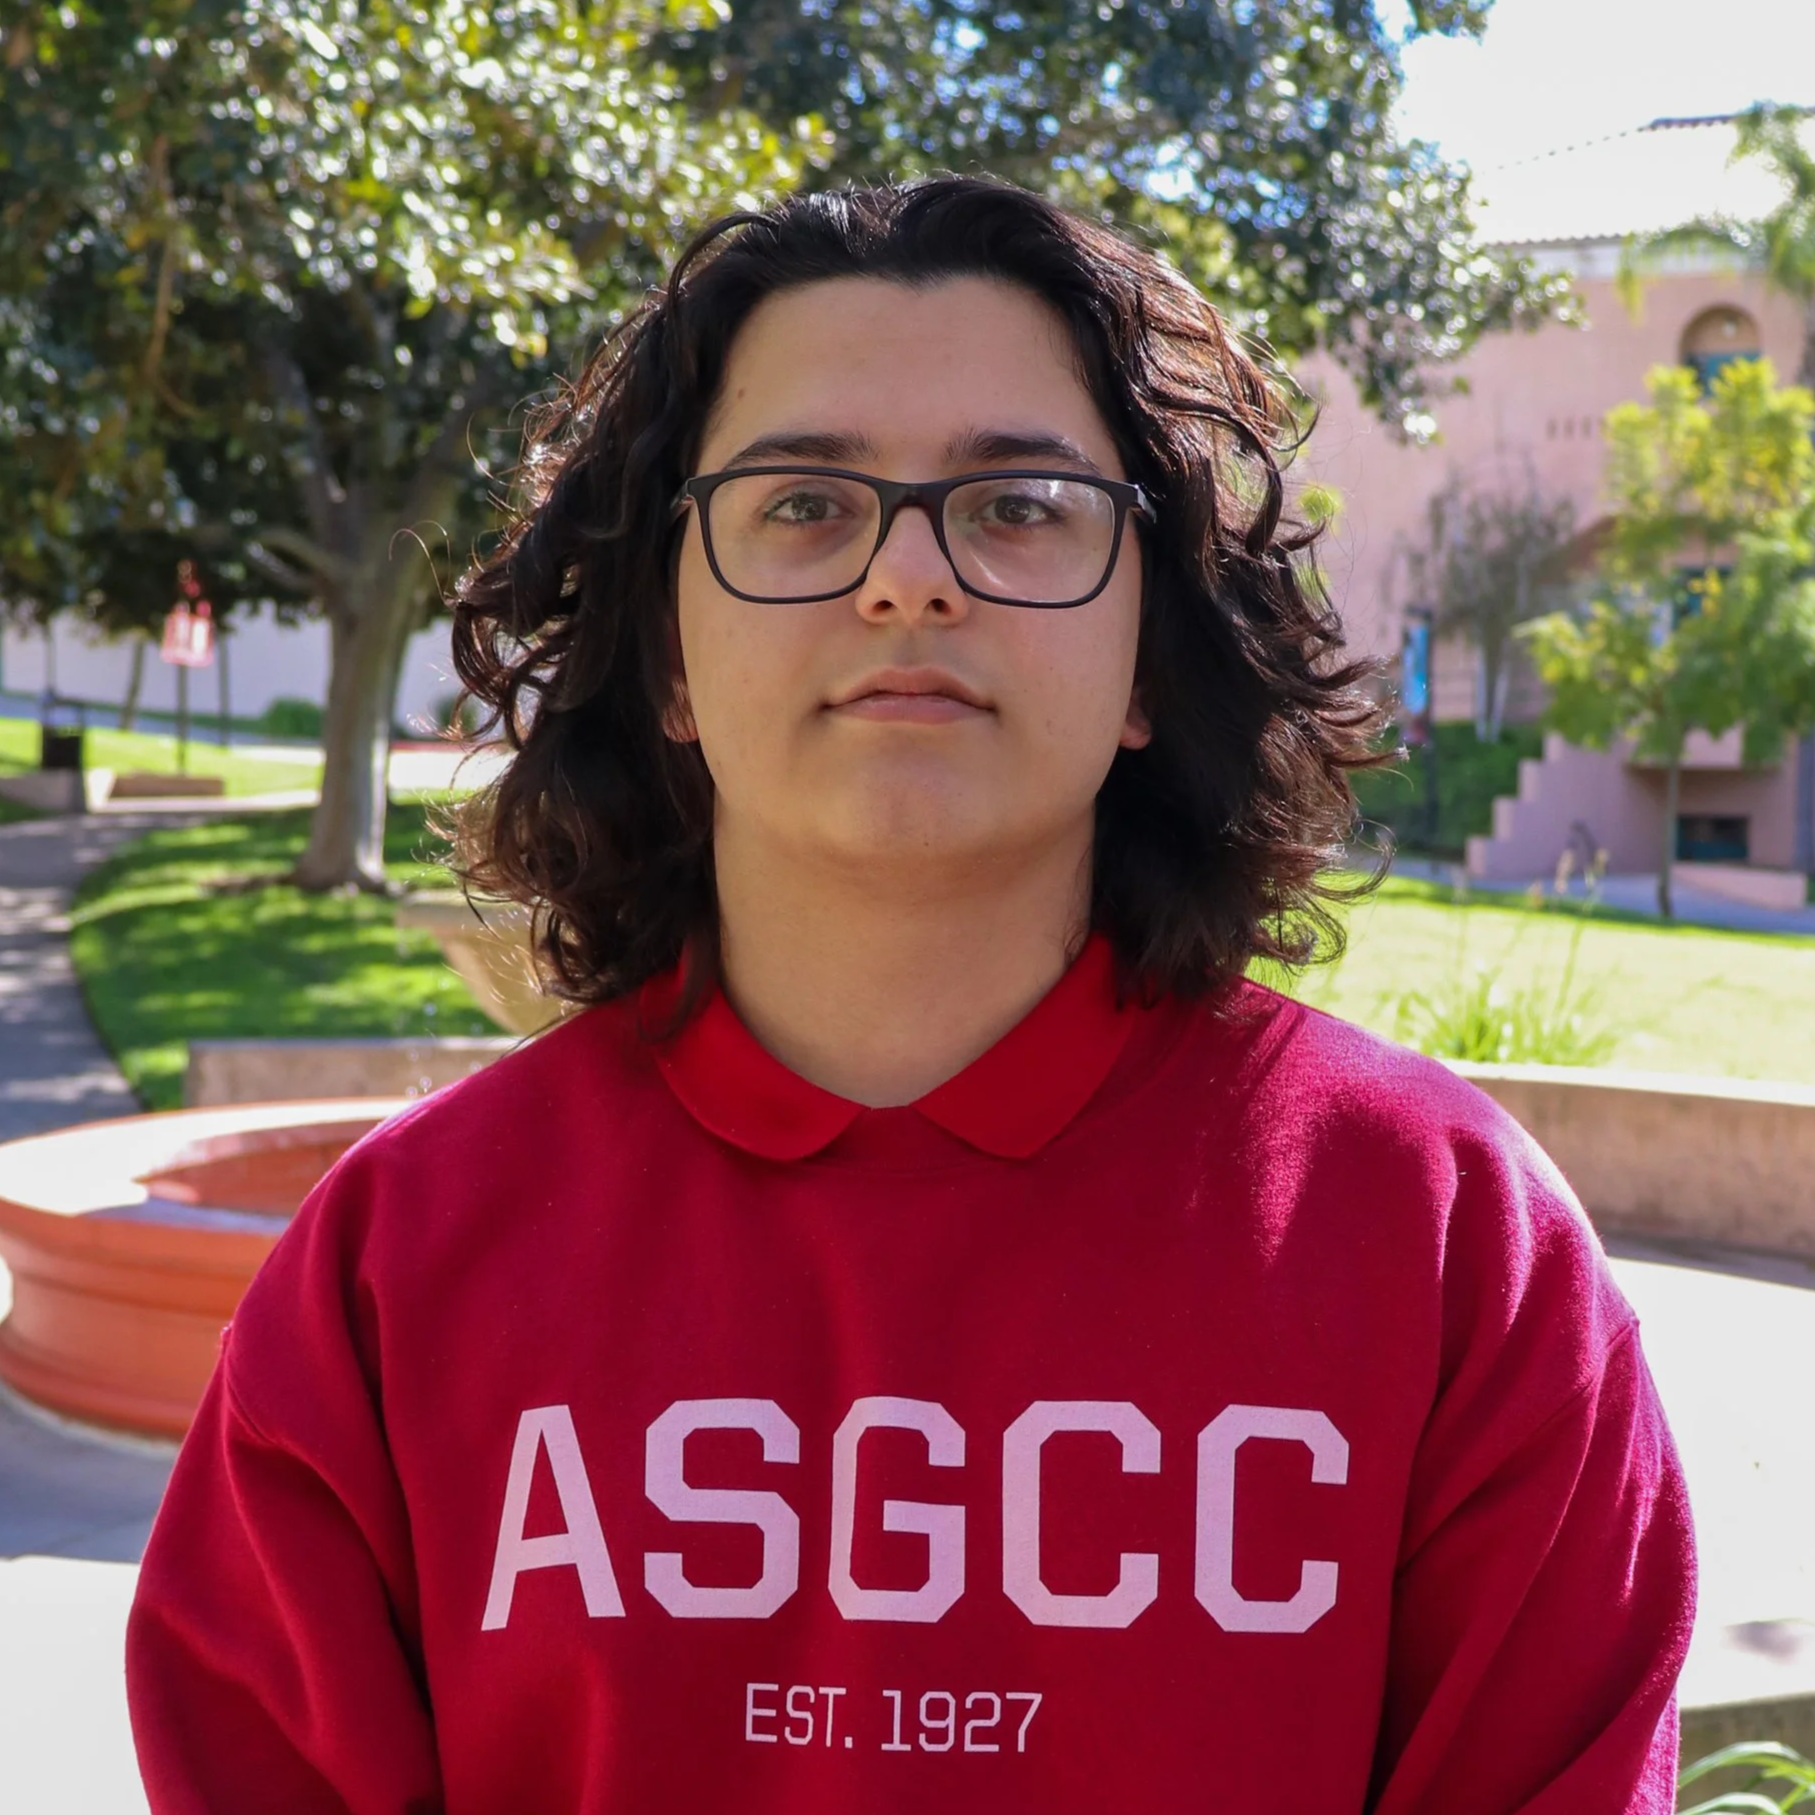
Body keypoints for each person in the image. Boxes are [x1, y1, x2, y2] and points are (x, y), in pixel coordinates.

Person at [126, 177, 1696, 1813]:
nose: (907, 579)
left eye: (1018, 504)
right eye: (803, 502)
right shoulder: (393, 1269)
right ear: (666, 653)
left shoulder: (1444, 1244)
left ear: (1149, 652)